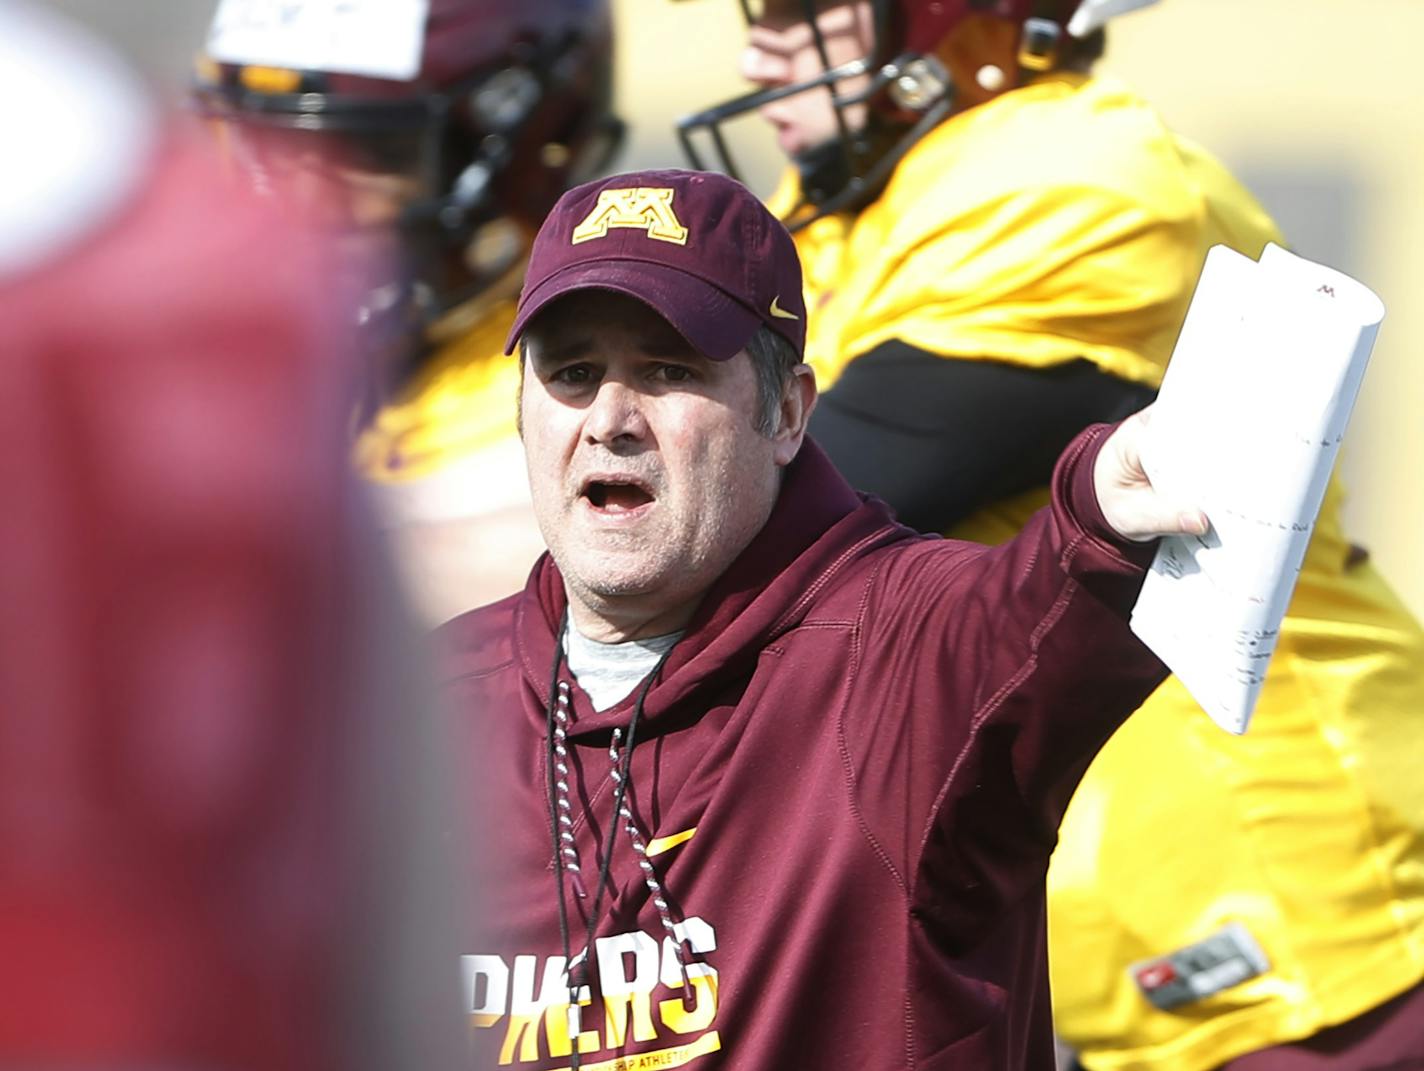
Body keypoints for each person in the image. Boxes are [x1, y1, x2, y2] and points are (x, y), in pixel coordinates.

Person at [678, 1, 1424, 1068]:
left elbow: (750, 528)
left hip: (1280, 910)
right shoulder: (861, 189)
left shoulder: (1071, 176)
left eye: (801, 9)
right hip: (1085, 905)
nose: (757, 48)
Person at [443, 165, 1216, 1070]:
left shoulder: (901, 649)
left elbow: (1029, 610)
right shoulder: (416, 705)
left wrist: (1098, 512)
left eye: (668, 370)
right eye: (573, 373)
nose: (611, 418)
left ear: (786, 411)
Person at [0, 5, 464, 1068]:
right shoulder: (230, 280)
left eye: (371, 152)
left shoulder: (246, 294)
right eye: (269, 148)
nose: (312, 194)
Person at [193, 0, 623, 625]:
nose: (295, 203)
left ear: (533, 148)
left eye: (368, 152)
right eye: (265, 146)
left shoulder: (555, 455)